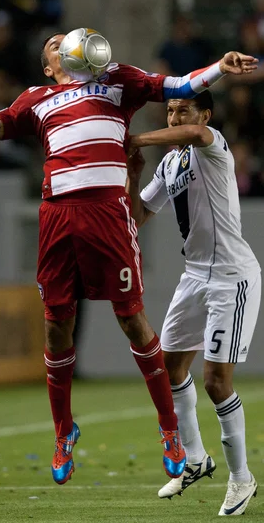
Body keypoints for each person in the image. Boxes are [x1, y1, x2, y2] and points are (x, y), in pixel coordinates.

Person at [0, 31, 258, 486]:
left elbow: (177, 86)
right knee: (56, 324)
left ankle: (170, 429)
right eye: (55, 43)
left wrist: (218, 68)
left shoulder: (116, 79)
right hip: (57, 215)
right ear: (50, 67)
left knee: (131, 319)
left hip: (107, 215)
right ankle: (62, 432)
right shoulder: (36, 100)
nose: (66, 40)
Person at [126, 91, 260, 516]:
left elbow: (194, 133)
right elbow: (138, 214)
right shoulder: (170, 164)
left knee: (216, 382)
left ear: (205, 113)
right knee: (170, 368)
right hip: (194, 275)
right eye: (169, 109)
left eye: (182, 109)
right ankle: (197, 459)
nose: (175, 115)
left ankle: (242, 479)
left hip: (231, 277)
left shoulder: (212, 144)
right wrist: (134, 171)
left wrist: (139, 138)